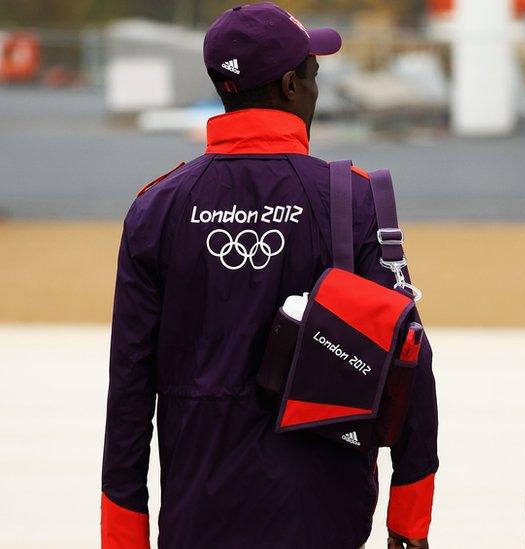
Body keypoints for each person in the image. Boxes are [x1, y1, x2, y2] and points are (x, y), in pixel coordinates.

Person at [100, 4, 438, 548]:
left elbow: (129, 393)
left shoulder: (155, 208)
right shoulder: (352, 197)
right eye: (312, 76)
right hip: (323, 518)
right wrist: (409, 517)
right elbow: (410, 357)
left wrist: (122, 537)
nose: (314, 91)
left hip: (197, 519)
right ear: (288, 87)